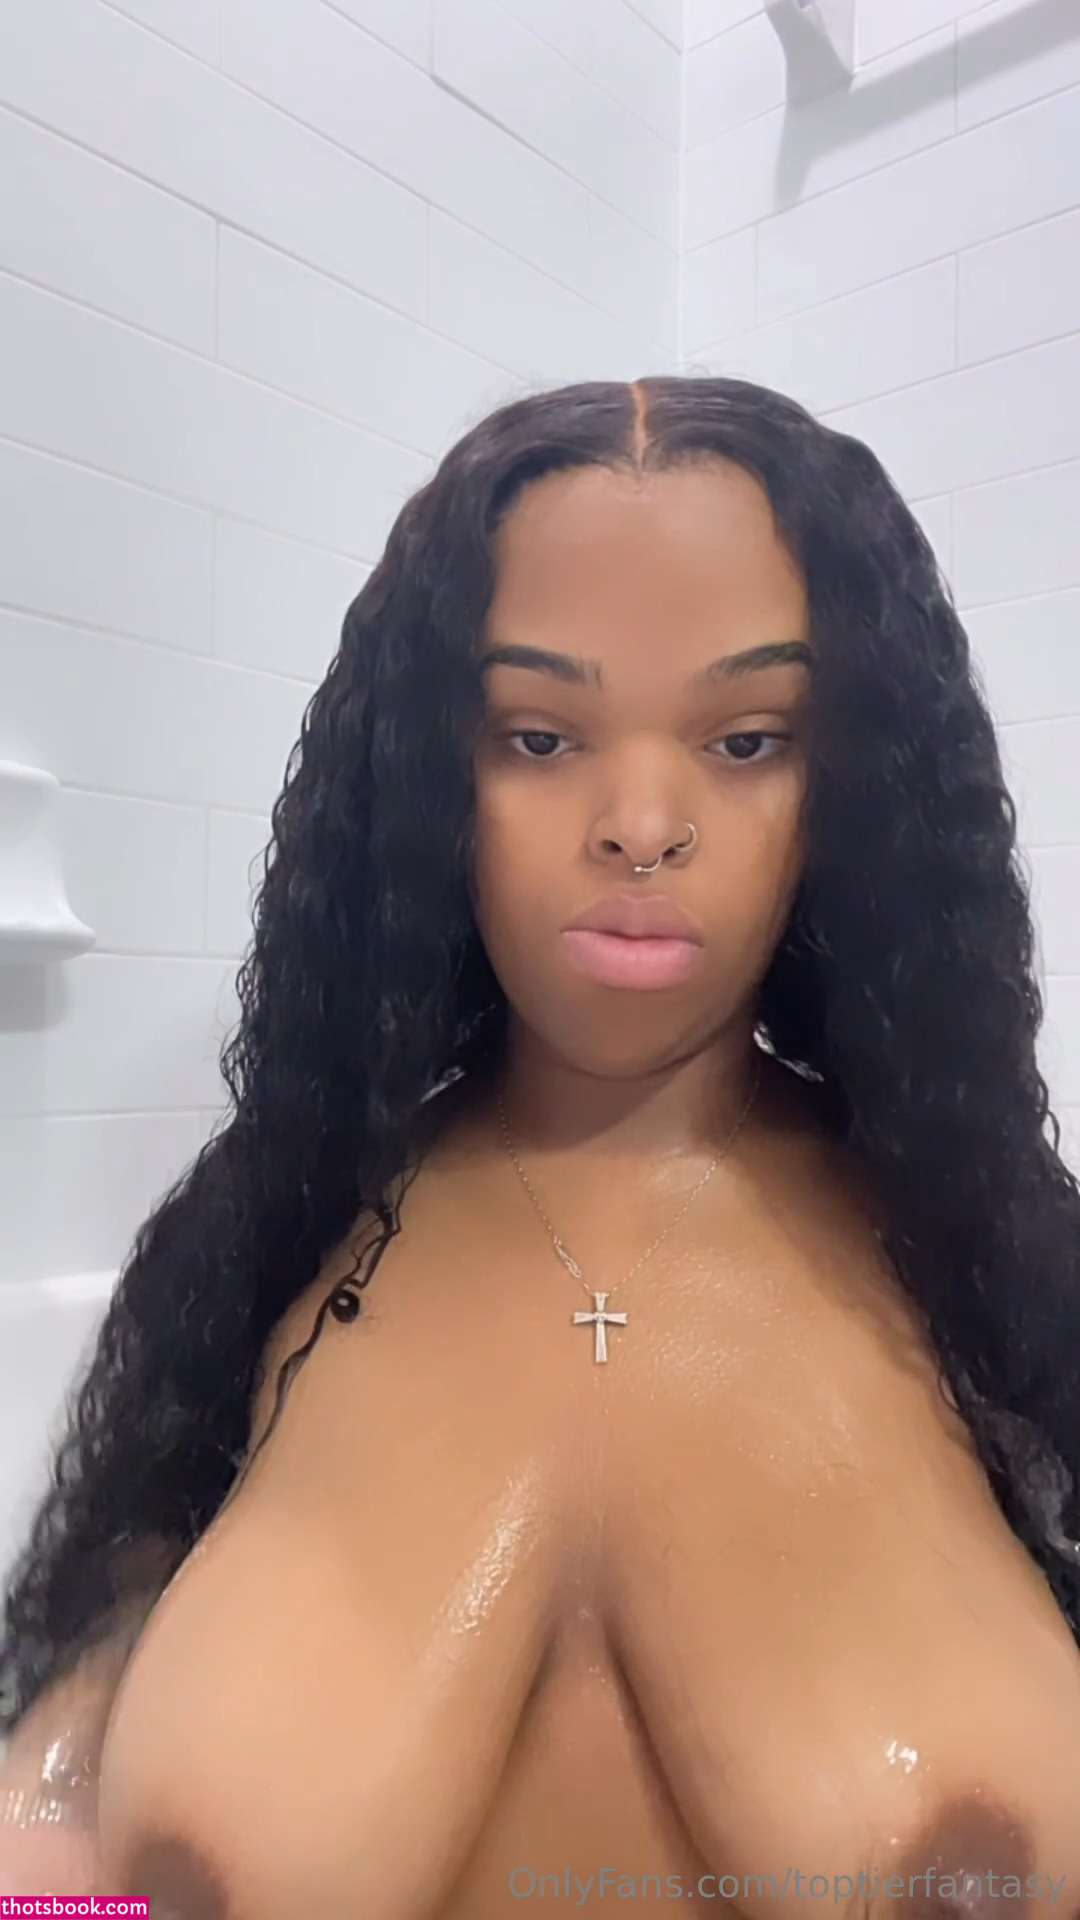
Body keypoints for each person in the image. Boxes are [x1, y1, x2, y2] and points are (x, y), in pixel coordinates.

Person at [2, 375, 1080, 1917]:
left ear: (849, 787)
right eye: (538, 734)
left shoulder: (988, 1281)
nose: (640, 821)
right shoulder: (274, 1251)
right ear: (429, 780)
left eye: (747, 739)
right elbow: (57, 1827)